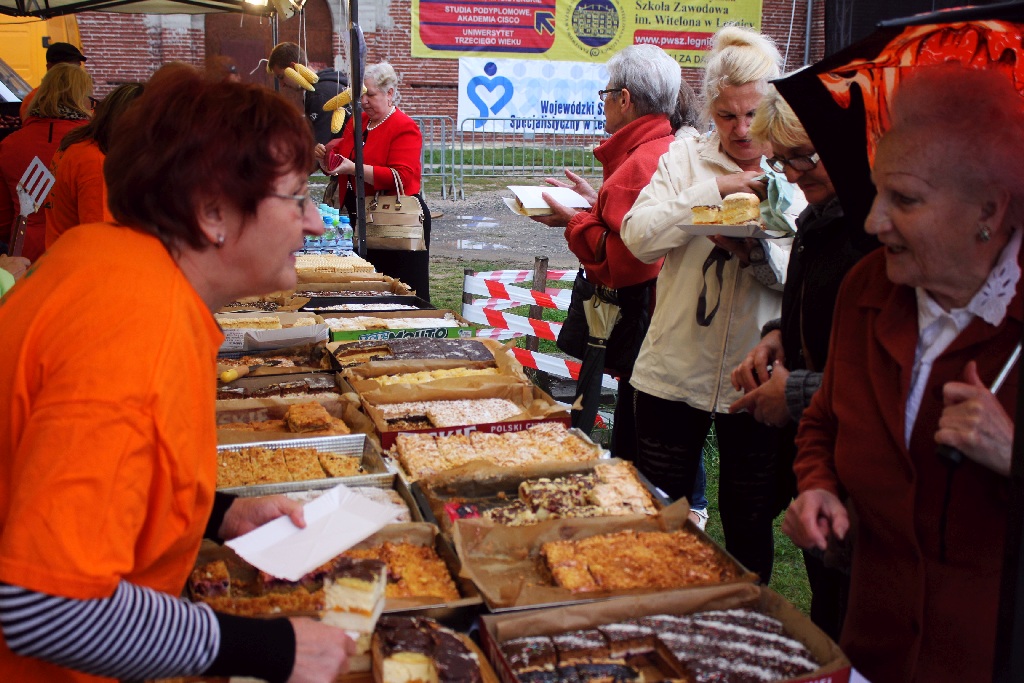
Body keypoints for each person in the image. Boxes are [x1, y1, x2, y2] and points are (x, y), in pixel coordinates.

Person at [0, 64, 355, 682]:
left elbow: (96, 471)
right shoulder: (136, 333)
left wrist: (217, 515)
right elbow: (45, 605)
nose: (316, 222)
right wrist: (271, 649)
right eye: (297, 198)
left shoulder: (105, 259)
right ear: (212, 211)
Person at [783, 66, 1023, 683]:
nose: (873, 221)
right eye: (877, 191)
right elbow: (824, 421)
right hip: (871, 650)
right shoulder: (869, 289)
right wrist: (819, 486)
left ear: (988, 211)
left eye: (906, 199)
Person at [620, 26, 793, 583]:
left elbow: (811, 274)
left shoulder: (798, 165)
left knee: (749, 520)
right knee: (660, 514)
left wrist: (759, 252)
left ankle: (745, 623)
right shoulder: (682, 156)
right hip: (674, 368)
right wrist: (714, 194)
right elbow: (639, 235)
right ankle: (656, 611)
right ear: (709, 110)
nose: (741, 129)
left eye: (752, 114)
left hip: (755, 373)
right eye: (725, 116)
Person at [528, 45, 710, 525]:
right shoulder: (657, 148)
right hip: (660, 317)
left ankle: (675, 515)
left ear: (625, 98)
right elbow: (626, 222)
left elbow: (624, 261)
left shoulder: (641, 160)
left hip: (645, 317)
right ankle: (682, 508)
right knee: (653, 424)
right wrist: (594, 206)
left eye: (605, 94)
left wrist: (574, 221)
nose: (603, 102)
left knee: (644, 430)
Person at [728, 85, 879, 638]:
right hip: (821, 454)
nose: (789, 175)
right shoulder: (824, 216)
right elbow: (820, 305)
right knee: (827, 603)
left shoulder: (874, 239)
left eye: (802, 158)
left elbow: (881, 379)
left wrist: (793, 391)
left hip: (858, 466)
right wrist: (777, 337)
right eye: (780, 161)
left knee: (849, 617)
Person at [319, 61, 431, 300]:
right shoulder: (356, 122)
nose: (364, 101)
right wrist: (327, 162)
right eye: (361, 95)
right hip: (357, 216)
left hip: (392, 219)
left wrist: (355, 169)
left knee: (399, 288)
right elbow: (344, 159)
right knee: (365, 289)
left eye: (370, 94)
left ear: (389, 93)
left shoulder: (404, 127)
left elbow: (401, 176)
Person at [0, 63, 92, 261]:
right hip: (73, 248)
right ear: (81, 98)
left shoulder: (10, 144)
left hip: (23, 249)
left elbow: (3, 217)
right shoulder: (90, 143)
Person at [44, 83, 145, 251]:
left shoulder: (79, 144)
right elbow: (101, 243)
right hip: (80, 265)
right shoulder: (95, 163)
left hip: (62, 257)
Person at [268, 42, 349, 147]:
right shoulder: (330, 83)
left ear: (293, 67)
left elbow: (318, 145)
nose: (282, 84)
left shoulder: (319, 95)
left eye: (281, 77)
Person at [19, 42, 88, 122]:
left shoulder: (83, 97)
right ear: (50, 67)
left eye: (77, 66)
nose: (77, 71)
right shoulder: (33, 101)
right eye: (68, 68)